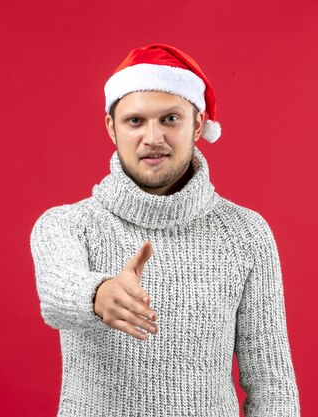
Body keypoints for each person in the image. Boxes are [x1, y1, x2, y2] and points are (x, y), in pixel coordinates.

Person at [29, 43, 300, 417]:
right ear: (112, 128)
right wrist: (99, 294)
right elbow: (57, 291)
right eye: (135, 121)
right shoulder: (68, 224)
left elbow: (272, 383)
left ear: (198, 124)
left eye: (170, 119)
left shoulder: (247, 235)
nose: (152, 137)